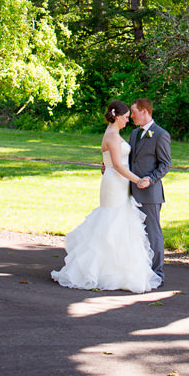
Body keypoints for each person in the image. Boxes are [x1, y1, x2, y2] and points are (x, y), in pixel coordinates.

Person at [51, 101, 161, 293]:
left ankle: (117, 270)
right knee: (111, 222)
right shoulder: (111, 135)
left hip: (118, 182)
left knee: (120, 223)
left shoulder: (114, 134)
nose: (128, 120)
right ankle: (101, 271)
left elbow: (113, 162)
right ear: (117, 117)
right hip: (115, 183)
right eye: (126, 117)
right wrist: (138, 180)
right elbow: (118, 165)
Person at [127, 98, 171, 286]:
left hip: (150, 194)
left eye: (134, 111)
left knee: (152, 233)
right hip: (130, 192)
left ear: (145, 111)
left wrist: (150, 179)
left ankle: (157, 272)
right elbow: (129, 161)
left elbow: (165, 164)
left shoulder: (161, 135)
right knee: (133, 232)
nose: (131, 115)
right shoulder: (134, 134)